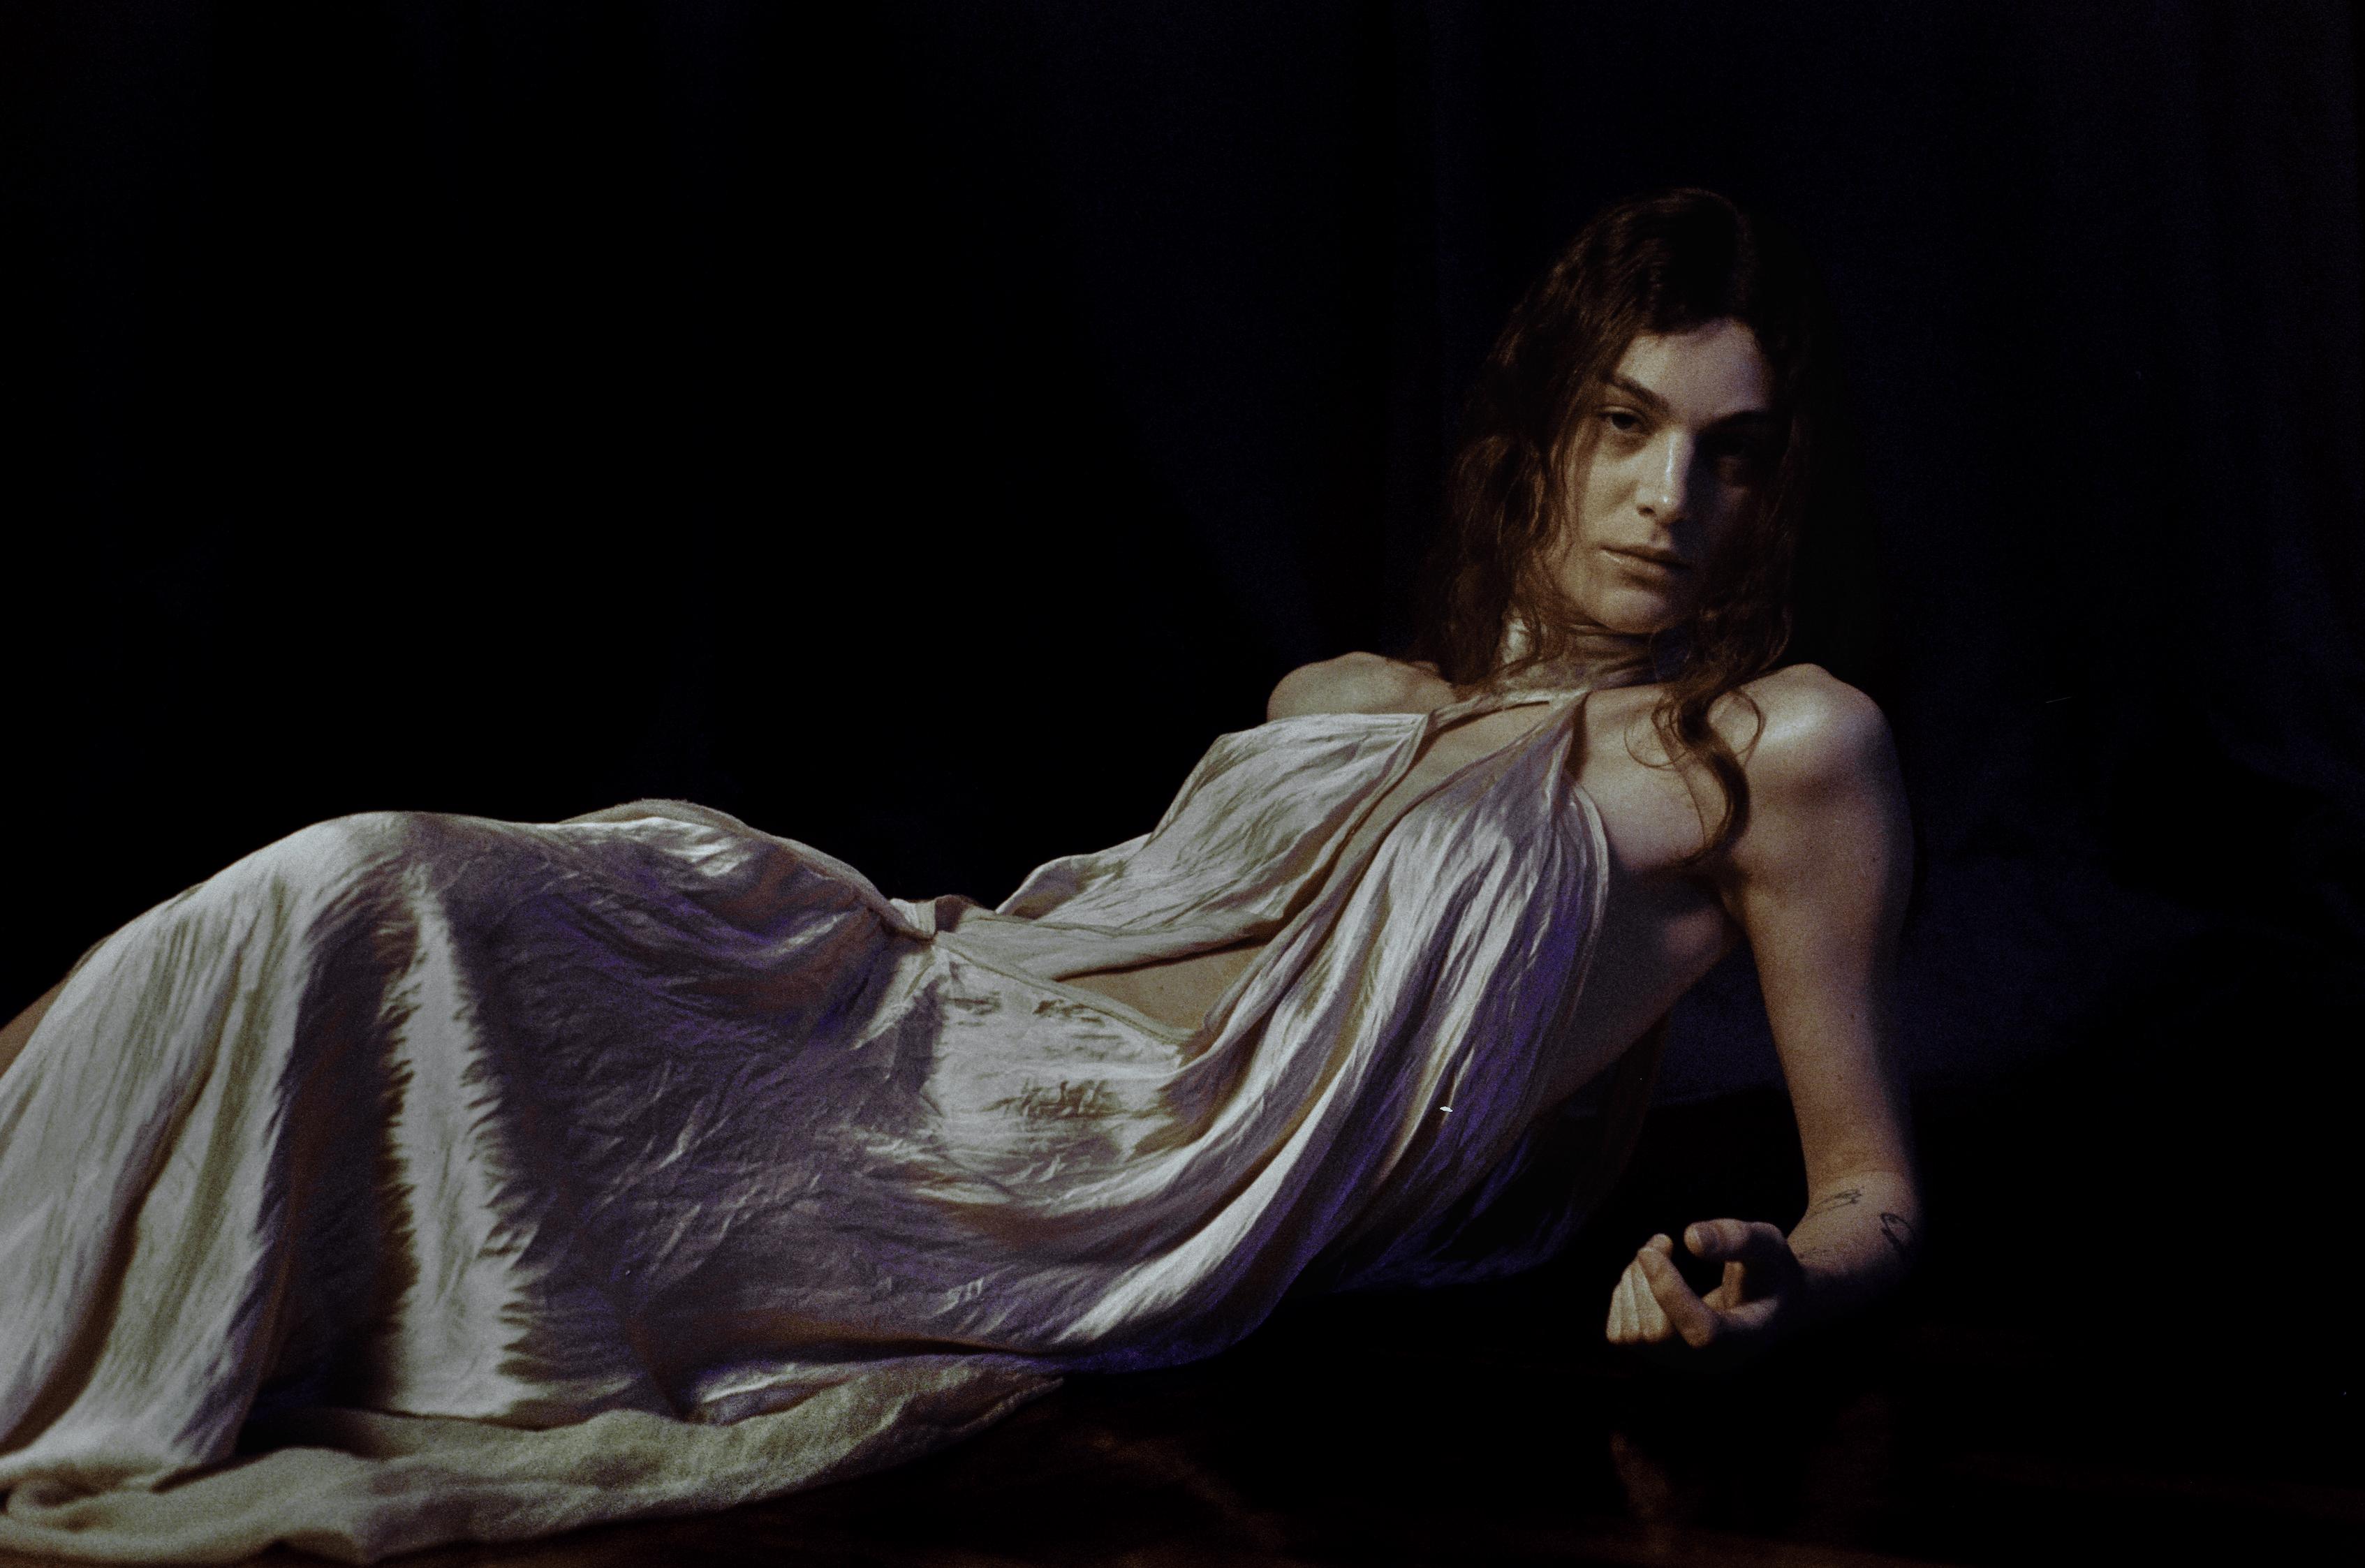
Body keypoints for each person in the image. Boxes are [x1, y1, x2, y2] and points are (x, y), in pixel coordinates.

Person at [0, 187, 1916, 1561]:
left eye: (1732, 455)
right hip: (895, 986)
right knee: (363, 886)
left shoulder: (1776, 754)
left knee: (357, 913)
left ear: (1780, 488)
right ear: (1548, 436)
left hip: (1057, 1176)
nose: (1671, 498)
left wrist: (1788, 1280)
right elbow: (1093, 922)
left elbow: (1874, 1194)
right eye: (1626, 427)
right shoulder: (1344, 698)